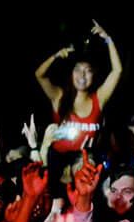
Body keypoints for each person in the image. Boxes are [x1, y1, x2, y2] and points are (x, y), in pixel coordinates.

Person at [33, 20, 123, 154]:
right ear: (71, 74)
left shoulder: (99, 98)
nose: (82, 75)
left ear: (93, 76)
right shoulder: (59, 96)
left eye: (88, 70)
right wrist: (55, 56)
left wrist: (108, 39)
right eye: (77, 69)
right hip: (60, 163)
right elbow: (39, 75)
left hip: (88, 163)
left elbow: (117, 71)